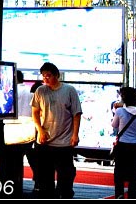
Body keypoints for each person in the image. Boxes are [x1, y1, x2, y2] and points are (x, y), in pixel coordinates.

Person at [31, 62, 82, 199]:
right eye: (43, 76)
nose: (45, 78)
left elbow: (76, 114)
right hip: (44, 142)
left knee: (65, 179)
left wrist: (75, 135)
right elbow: (35, 113)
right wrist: (40, 130)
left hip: (64, 143)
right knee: (45, 179)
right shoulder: (40, 91)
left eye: (48, 75)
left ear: (56, 75)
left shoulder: (69, 90)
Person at [111, 87, 136, 199]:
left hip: (122, 145)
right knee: (134, 173)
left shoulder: (120, 111)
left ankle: (119, 195)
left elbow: (114, 125)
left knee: (119, 172)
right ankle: (133, 196)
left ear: (124, 99)